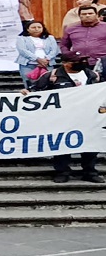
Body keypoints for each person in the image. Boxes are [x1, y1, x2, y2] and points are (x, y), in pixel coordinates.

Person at [21, 51, 103, 184]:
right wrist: (26, 93)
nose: (82, 63)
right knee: (61, 144)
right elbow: (35, 91)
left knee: (90, 146)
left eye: (83, 60)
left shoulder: (93, 76)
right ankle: (62, 172)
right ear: (65, 63)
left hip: (89, 117)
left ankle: (90, 172)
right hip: (62, 118)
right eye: (77, 61)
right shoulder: (52, 76)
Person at [15, 20, 59, 88]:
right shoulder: (21, 38)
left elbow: (54, 50)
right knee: (30, 84)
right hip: (28, 65)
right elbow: (22, 50)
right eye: (33, 27)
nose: (36, 29)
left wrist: (47, 59)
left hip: (47, 64)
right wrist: (37, 59)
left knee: (48, 83)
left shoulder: (50, 38)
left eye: (39, 27)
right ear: (27, 29)